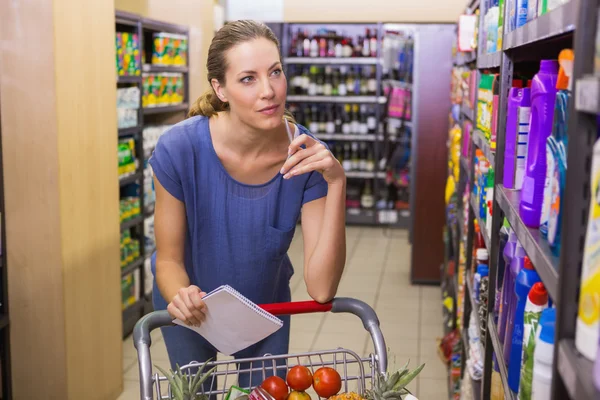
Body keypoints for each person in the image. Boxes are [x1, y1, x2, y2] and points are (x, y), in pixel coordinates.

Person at [149, 20, 347, 391]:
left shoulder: (306, 157)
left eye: (275, 72)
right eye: (248, 79)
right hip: (191, 299)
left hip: (264, 305)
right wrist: (181, 294)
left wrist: (337, 182)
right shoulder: (179, 149)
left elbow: (321, 289)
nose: (269, 91)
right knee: (195, 394)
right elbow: (169, 259)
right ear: (219, 89)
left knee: (263, 396)